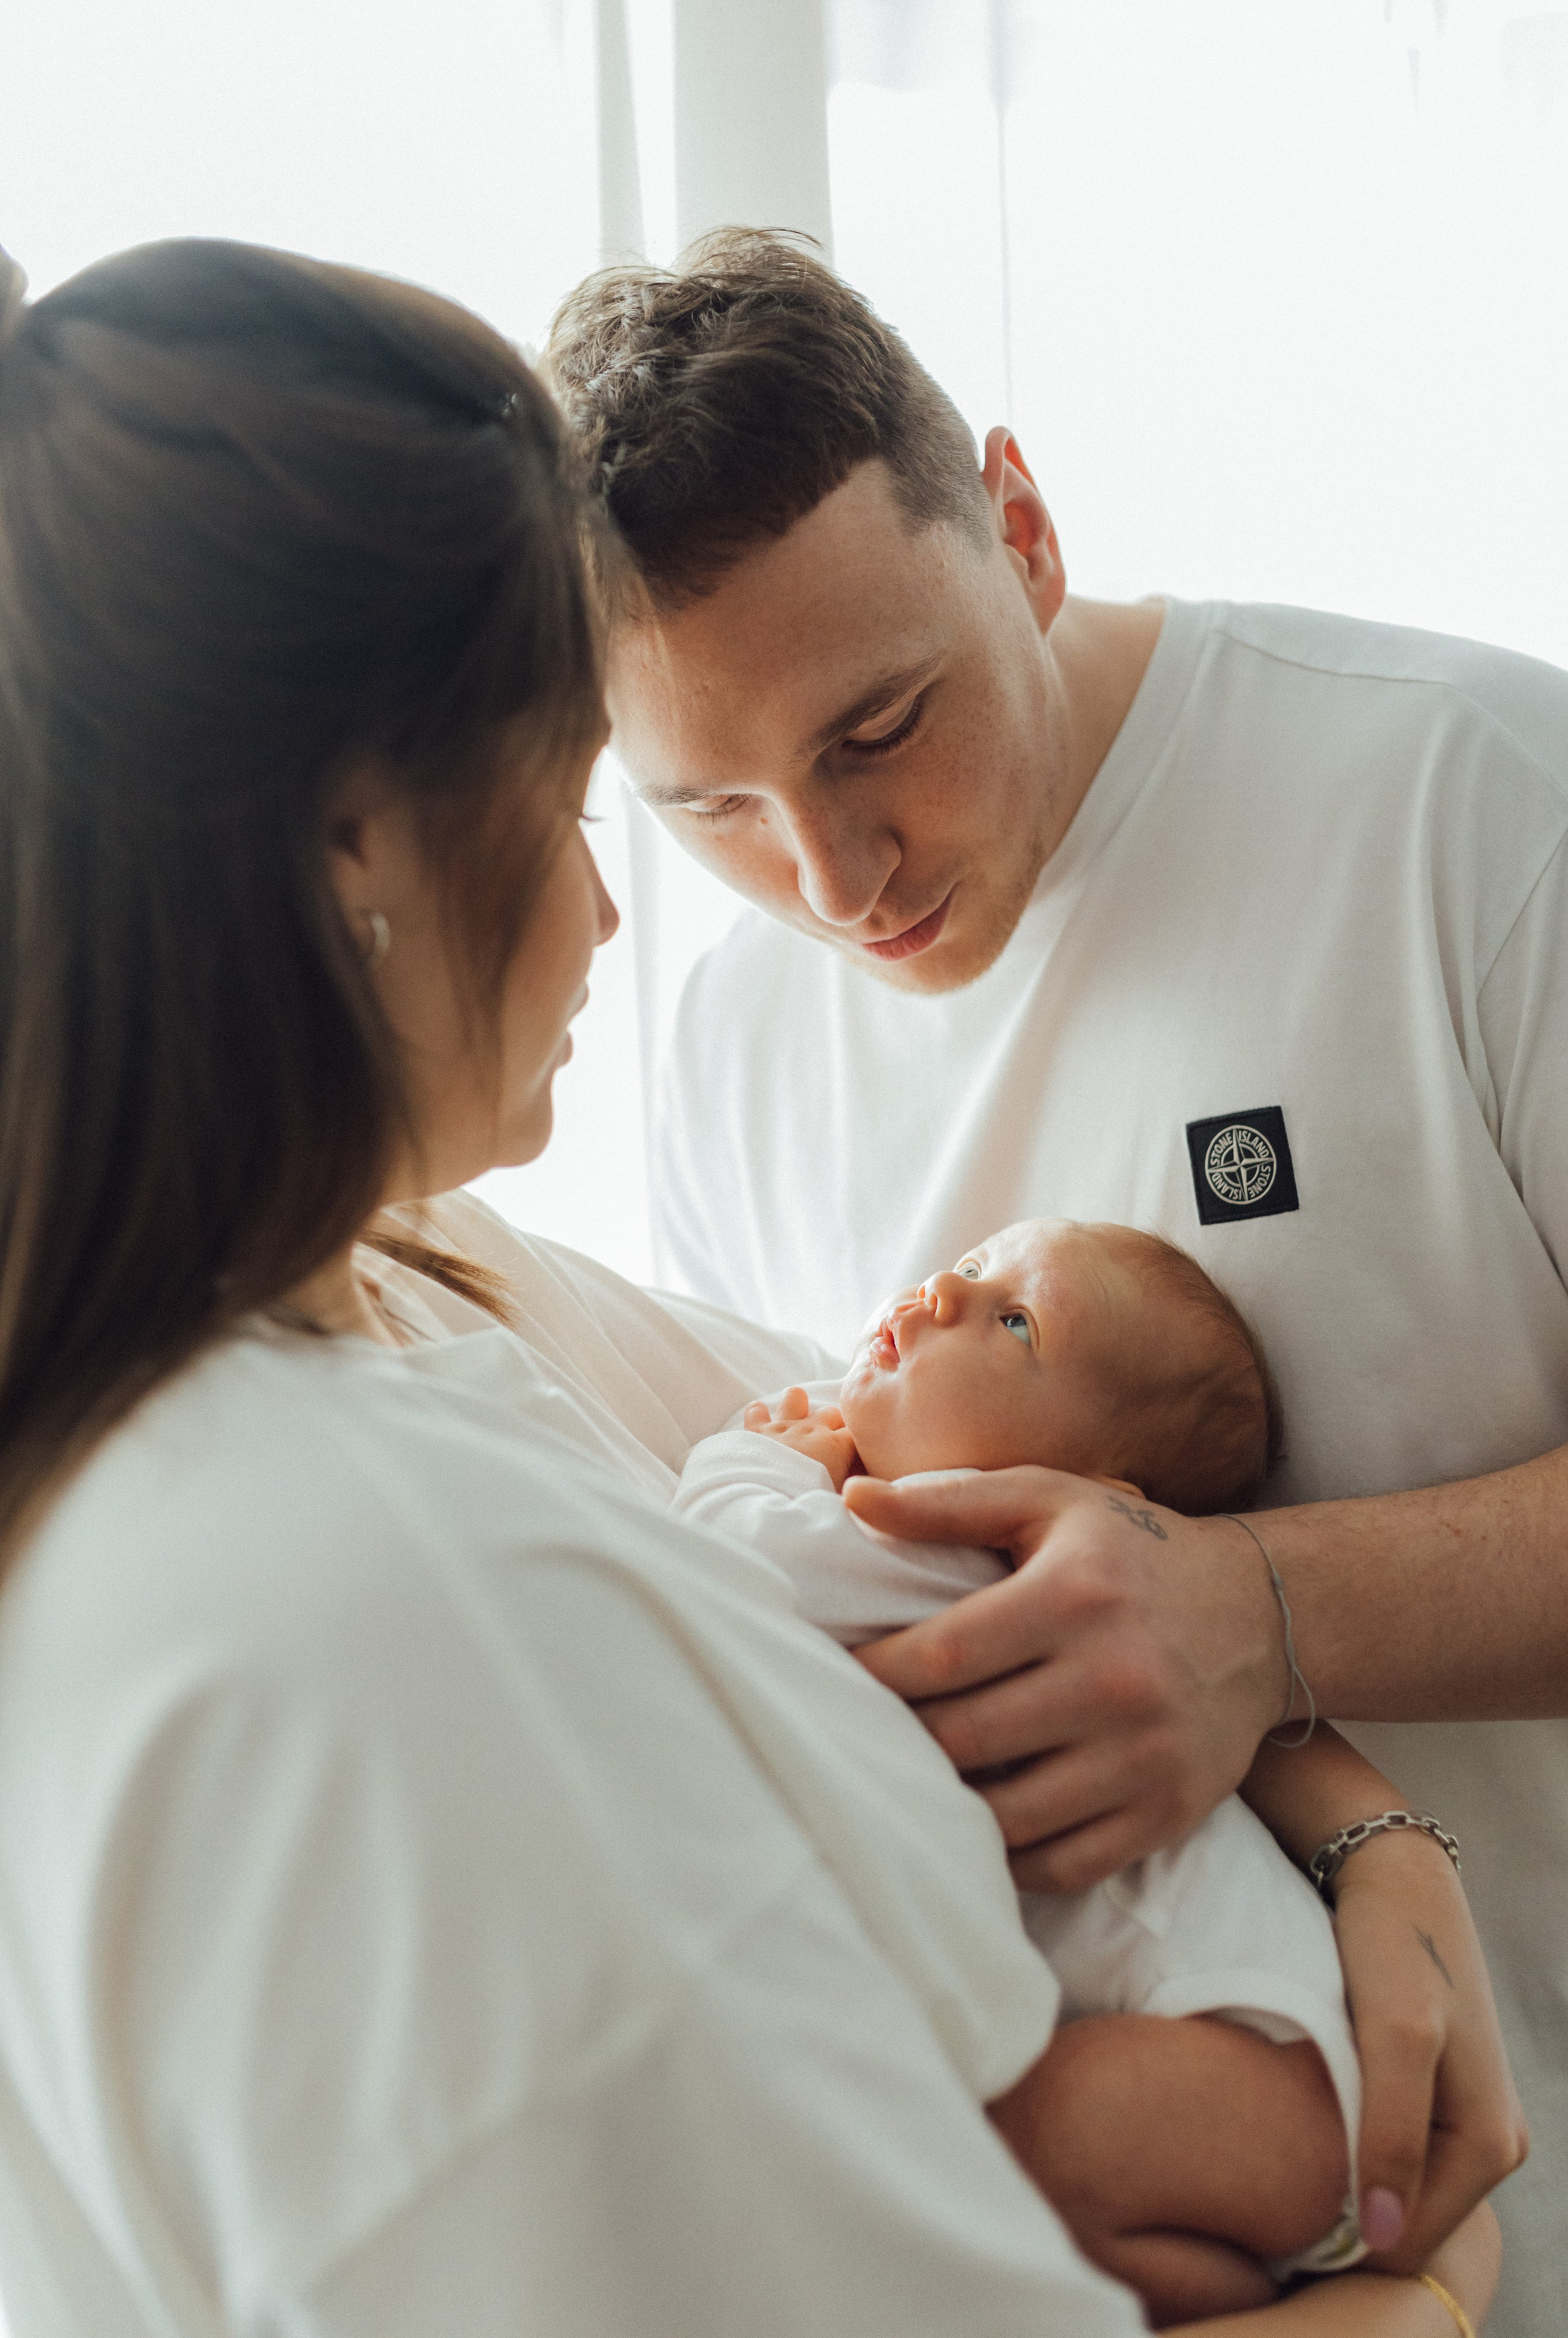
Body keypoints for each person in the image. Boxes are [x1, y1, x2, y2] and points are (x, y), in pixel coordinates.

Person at [0, 234, 1507, 2338]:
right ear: (368, 858)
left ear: (1023, 529)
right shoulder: (379, 1586)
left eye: (881, 729)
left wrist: (1344, 1806)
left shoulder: (439, 1291)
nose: (791, 885)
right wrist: (1419, 2316)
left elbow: (1044, 1567)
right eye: (625, 800)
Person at [546, 229, 1558, 2330]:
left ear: (1020, 524)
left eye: (878, 729)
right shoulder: (733, 1060)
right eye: (710, 808)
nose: (833, 882)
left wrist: (1268, 1621)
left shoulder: (1475, 812)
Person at [675, 1216, 1376, 2320]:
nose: (938, 1298)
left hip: (1252, 2059)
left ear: (1091, 1493)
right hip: (1258, 2059)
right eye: (964, 1269)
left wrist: (756, 1452)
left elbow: (730, 1561)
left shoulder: (987, 1557)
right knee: (1033, 2187)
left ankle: (1287, 2290)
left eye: (1015, 1323)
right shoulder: (930, 1545)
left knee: (1030, 2151)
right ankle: (1277, 2292)